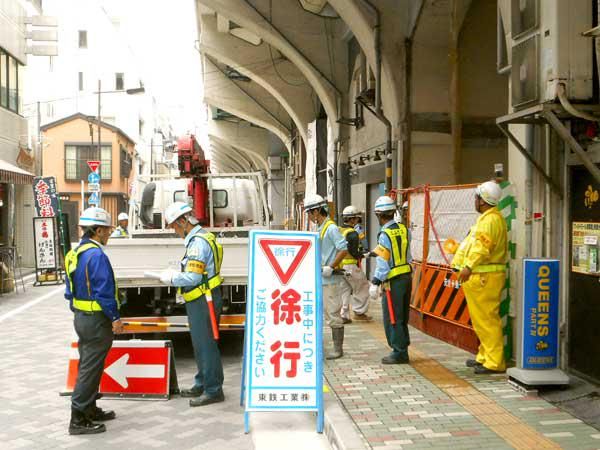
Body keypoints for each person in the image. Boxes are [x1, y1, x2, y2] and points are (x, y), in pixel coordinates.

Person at [64, 207, 123, 435]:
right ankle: (78, 419)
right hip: (97, 320)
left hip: (82, 317)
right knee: (89, 369)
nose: (109, 233)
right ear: (97, 230)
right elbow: (104, 292)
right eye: (107, 229)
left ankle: (89, 409)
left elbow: (69, 291)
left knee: (89, 365)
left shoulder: (75, 253)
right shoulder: (97, 256)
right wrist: (115, 318)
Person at [159, 202, 225, 406]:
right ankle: (202, 382)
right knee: (200, 344)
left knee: (206, 345)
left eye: (174, 226)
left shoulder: (197, 244)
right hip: (204, 297)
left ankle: (213, 390)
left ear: (183, 221)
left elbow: (193, 277)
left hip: (203, 299)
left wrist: (172, 278)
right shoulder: (204, 236)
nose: (175, 231)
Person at [454, 181, 507, 375]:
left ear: (483, 200)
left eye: (476, 197)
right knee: (482, 320)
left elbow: (482, 248)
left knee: (486, 320)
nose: (474, 201)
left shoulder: (489, 221)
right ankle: (484, 357)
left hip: (484, 276)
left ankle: (494, 362)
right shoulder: (488, 219)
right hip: (483, 276)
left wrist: (468, 266)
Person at [303, 194, 348, 359]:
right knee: (324, 313)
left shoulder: (331, 228)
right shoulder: (320, 228)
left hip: (330, 279)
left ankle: (338, 349)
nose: (308, 216)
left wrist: (332, 266)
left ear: (316, 211)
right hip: (321, 278)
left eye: (309, 213)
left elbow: (343, 249)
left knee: (333, 313)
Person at [369, 196, 412, 364]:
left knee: (392, 317)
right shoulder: (404, 229)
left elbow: (383, 263)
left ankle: (399, 352)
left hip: (392, 281)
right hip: (406, 277)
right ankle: (403, 348)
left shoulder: (384, 234)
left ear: (379, 215)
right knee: (402, 316)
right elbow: (403, 252)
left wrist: (375, 282)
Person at [339, 205, 371, 324]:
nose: (358, 220)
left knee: (345, 290)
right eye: (357, 218)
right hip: (351, 266)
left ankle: (343, 315)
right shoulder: (353, 234)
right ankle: (359, 313)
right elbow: (354, 252)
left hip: (340, 266)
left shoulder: (339, 230)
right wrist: (366, 255)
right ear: (352, 219)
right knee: (362, 287)